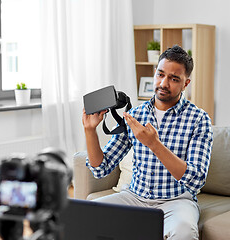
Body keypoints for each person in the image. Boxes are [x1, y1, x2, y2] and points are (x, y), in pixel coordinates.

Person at [82, 45, 213, 240]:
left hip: (176, 201)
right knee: (85, 217)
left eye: (174, 78)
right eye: (160, 74)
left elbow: (195, 180)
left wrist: (155, 145)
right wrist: (90, 130)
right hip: (134, 197)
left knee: (184, 232)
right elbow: (101, 168)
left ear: (186, 83)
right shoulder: (136, 114)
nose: (164, 83)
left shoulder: (199, 119)